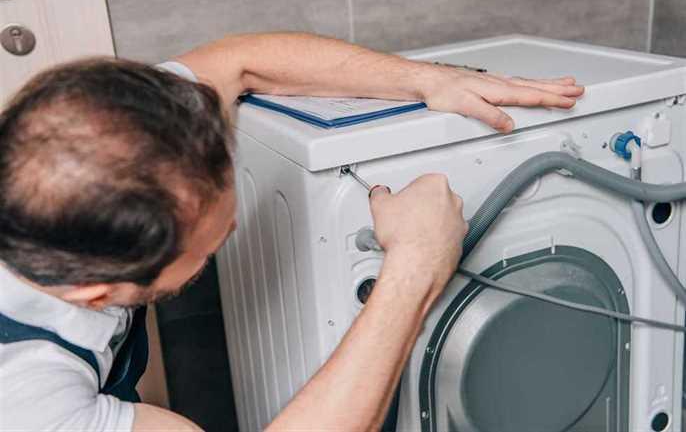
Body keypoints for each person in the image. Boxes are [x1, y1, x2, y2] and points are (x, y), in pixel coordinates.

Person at [0, 32, 584, 431]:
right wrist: (416, 267)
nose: (230, 233)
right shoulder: (28, 397)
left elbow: (238, 60)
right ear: (96, 292)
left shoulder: (91, 139)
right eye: (209, 248)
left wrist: (428, 80)